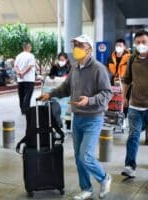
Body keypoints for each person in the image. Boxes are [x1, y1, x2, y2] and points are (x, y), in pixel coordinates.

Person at [39, 34, 112, 200]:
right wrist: (49, 95)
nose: (76, 48)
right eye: (75, 45)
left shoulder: (99, 68)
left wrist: (90, 100)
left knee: (85, 156)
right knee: (79, 159)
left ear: (89, 48)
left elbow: (107, 93)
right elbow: (65, 88)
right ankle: (86, 188)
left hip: (93, 118)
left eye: (80, 45)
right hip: (77, 118)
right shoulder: (75, 68)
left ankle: (104, 178)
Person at [121, 30, 148, 178]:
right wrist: (124, 97)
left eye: (144, 42)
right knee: (133, 136)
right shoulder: (132, 59)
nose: (141, 45)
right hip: (135, 106)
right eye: (138, 42)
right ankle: (130, 166)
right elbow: (126, 79)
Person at [14, 42, 36, 114]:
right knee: (27, 95)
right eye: (31, 46)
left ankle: (22, 110)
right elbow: (29, 67)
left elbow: (16, 66)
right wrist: (23, 73)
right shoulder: (31, 55)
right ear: (28, 47)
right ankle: (26, 110)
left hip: (20, 79)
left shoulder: (18, 56)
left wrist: (19, 73)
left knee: (21, 95)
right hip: (29, 79)